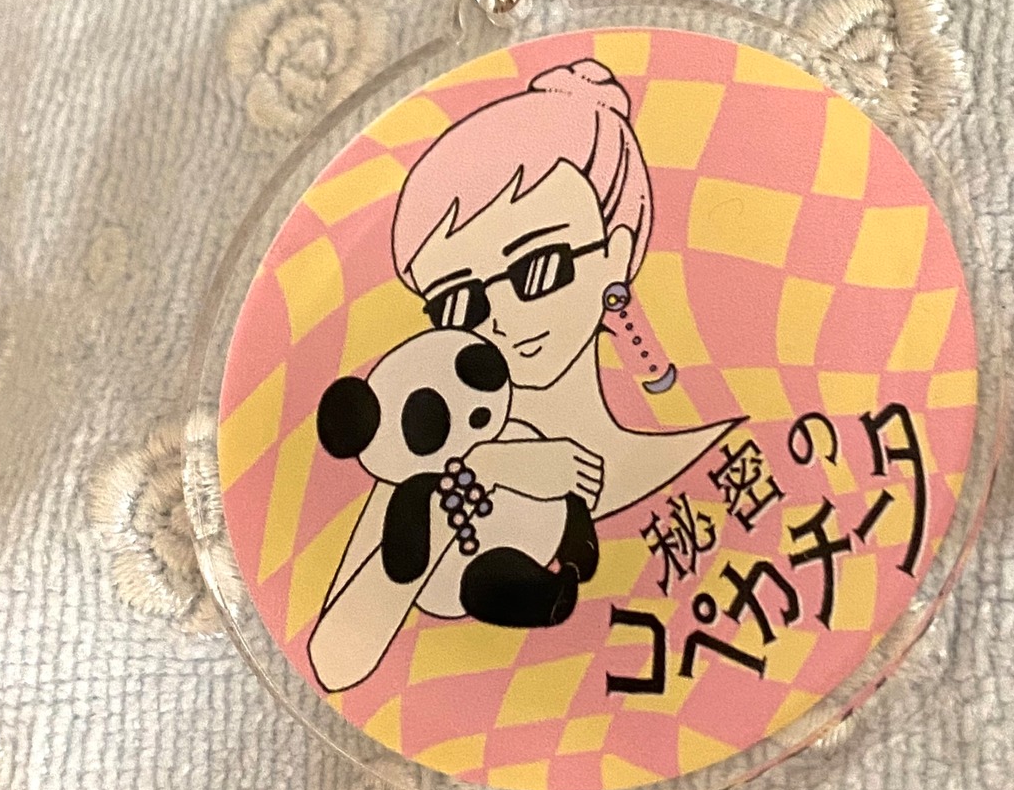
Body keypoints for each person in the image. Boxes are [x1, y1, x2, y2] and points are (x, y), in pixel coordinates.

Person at [307, 59, 736, 691]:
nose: (501, 317)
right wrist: (484, 471)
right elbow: (335, 663)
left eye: (540, 266)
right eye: (458, 301)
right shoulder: (429, 459)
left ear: (616, 252)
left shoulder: (711, 449)